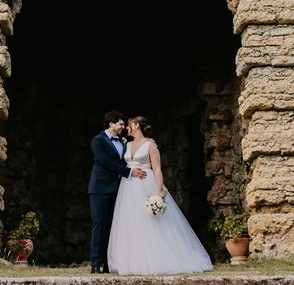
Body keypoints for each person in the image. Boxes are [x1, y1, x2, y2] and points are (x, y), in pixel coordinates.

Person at [107, 116, 213, 275]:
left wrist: (159, 190)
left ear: (137, 125)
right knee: (131, 221)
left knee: (151, 221)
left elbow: (157, 169)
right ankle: (134, 261)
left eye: (129, 124)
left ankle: (158, 258)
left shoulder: (150, 144)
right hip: (128, 187)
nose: (127, 127)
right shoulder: (126, 144)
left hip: (145, 184)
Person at [88, 111, 147, 274]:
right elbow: (103, 161)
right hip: (99, 189)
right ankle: (95, 263)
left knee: (113, 227)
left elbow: (124, 160)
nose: (123, 127)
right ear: (111, 124)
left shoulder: (123, 141)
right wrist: (129, 172)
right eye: (121, 124)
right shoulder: (97, 140)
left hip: (119, 189)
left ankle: (109, 263)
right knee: (99, 225)